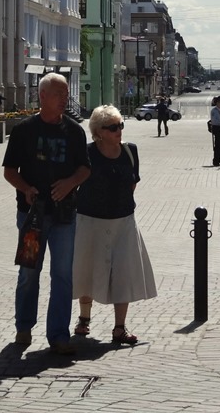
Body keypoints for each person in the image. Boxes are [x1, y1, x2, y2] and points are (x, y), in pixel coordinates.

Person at [3, 72, 91, 355]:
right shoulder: (24, 130)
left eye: (66, 94)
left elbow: (85, 168)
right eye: (59, 94)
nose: (65, 99)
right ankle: (24, 327)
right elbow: (9, 171)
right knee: (29, 272)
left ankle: (58, 335)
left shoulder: (74, 131)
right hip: (32, 216)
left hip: (65, 216)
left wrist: (70, 183)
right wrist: (26, 188)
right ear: (42, 96)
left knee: (63, 275)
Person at [72, 104, 157, 345]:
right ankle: (84, 319)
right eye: (112, 128)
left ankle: (120, 327)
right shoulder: (86, 153)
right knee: (87, 270)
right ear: (98, 132)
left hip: (123, 222)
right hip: (90, 220)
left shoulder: (130, 151)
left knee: (123, 273)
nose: (118, 131)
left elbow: (132, 183)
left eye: (120, 125)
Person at [210, 95, 220, 167]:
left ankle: (217, 159)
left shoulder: (219, 110)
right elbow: (214, 121)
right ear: (217, 103)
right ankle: (216, 160)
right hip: (216, 128)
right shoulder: (214, 111)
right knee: (218, 145)